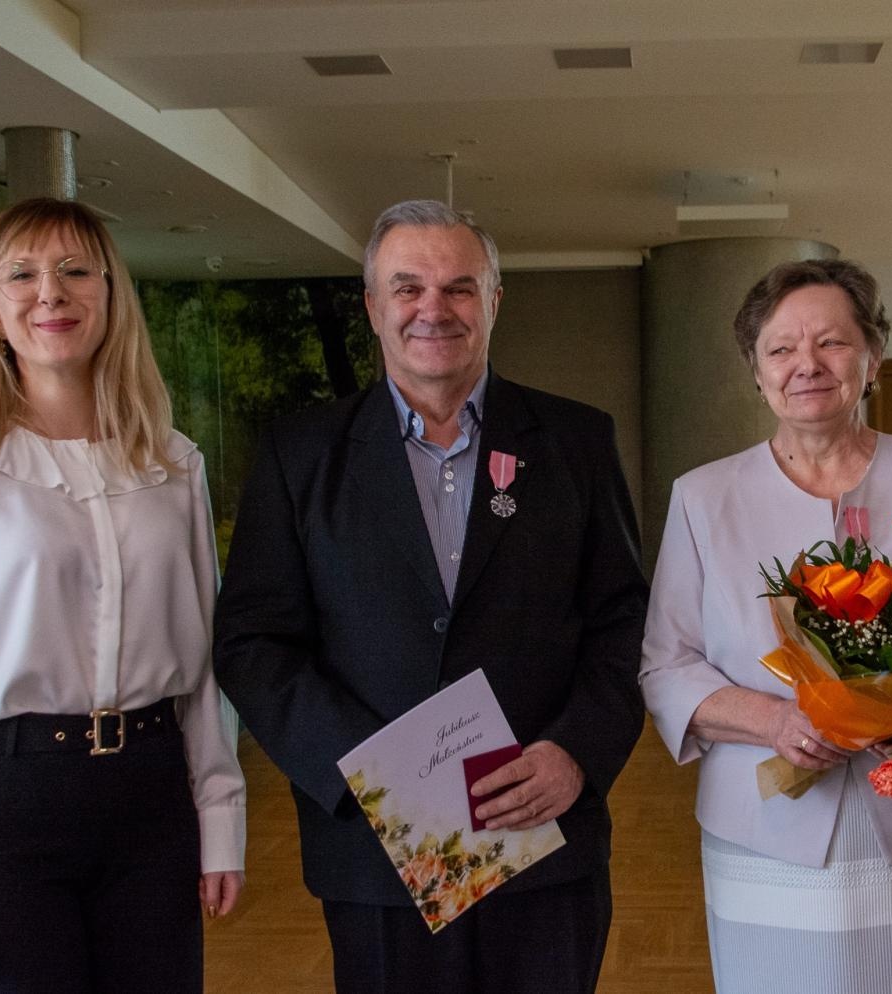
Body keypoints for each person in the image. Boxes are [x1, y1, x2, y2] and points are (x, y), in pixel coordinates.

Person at [213, 200, 647, 994]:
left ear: (493, 301)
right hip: (379, 856)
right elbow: (253, 643)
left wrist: (578, 750)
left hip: (543, 840)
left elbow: (624, 620)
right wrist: (370, 777)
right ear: (374, 307)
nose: (432, 309)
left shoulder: (578, 440)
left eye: (459, 288)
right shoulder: (298, 456)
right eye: (407, 288)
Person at [0, 198, 247, 991]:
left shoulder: (174, 464)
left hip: (151, 800)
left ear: (111, 297)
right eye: (22, 273)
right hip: (11, 807)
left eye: (77, 270)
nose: (51, 292)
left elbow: (207, 663)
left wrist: (221, 817)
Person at [640, 259, 892, 994]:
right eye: (780, 349)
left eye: (832, 343)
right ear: (756, 368)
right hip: (764, 828)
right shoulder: (703, 497)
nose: (806, 364)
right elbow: (667, 664)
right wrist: (778, 723)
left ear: (873, 356)